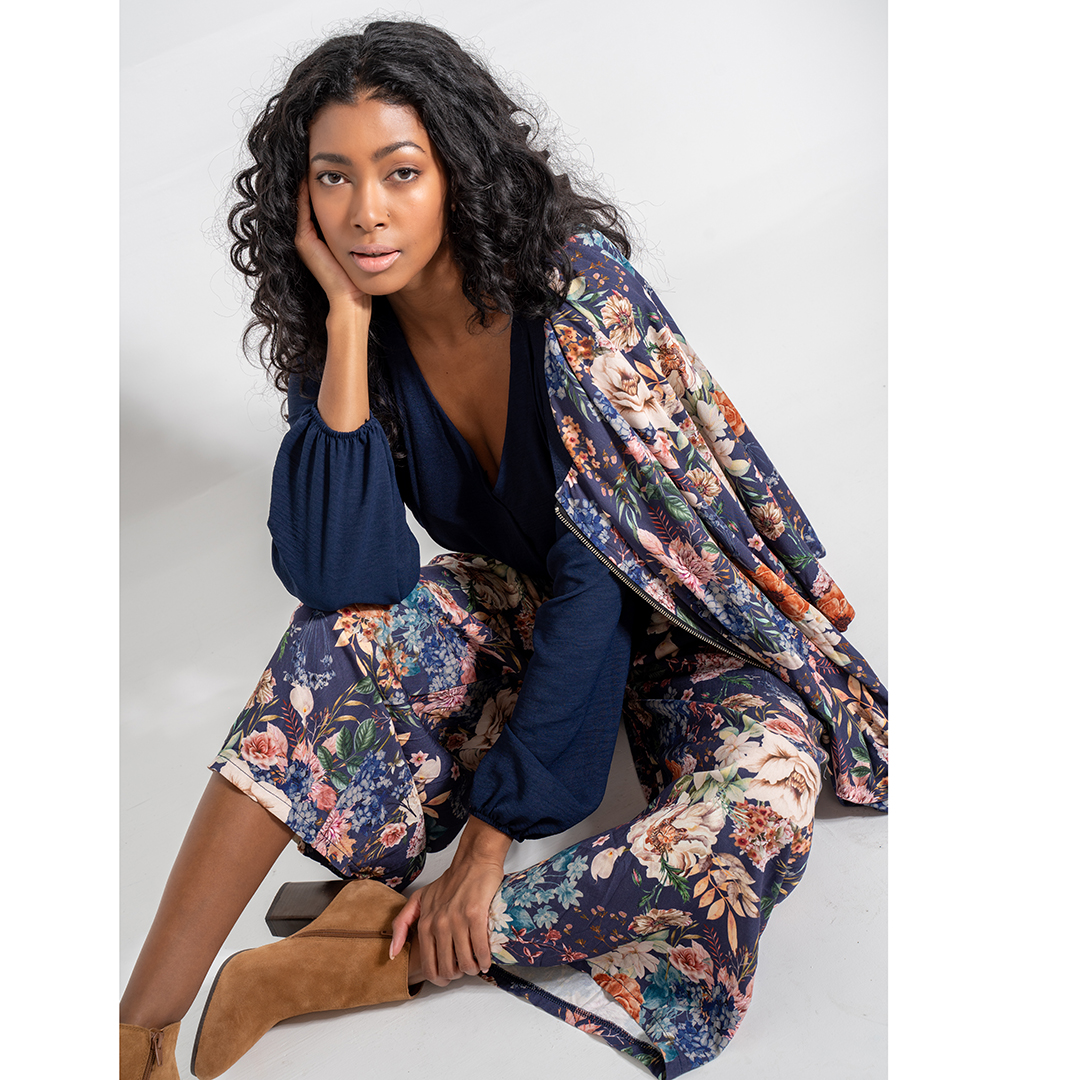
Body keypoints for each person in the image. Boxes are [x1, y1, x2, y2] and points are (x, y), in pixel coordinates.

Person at [119, 18, 888, 1080]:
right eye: (334, 178)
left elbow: (600, 586)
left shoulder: (579, 298)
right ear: (300, 199)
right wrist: (345, 326)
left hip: (693, 630)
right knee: (330, 645)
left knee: (759, 810)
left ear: (458, 170)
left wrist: (489, 845)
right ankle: (137, 1029)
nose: (366, 210)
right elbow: (345, 576)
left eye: (400, 171)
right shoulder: (356, 339)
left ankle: (367, 954)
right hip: (519, 613)